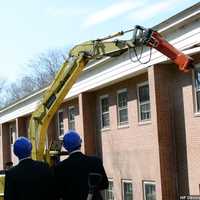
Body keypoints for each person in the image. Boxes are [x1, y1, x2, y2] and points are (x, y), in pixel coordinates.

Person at [54, 130, 108, 200]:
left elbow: (57, 193)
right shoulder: (95, 161)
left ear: (64, 146)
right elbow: (104, 185)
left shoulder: (59, 167)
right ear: (80, 142)